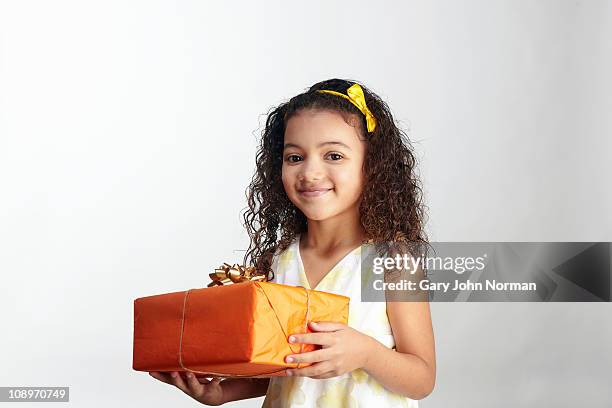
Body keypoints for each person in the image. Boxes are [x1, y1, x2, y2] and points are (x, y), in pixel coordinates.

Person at [149, 78, 436, 407]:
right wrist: (221, 392)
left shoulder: (393, 260)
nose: (311, 172)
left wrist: (367, 354)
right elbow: (282, 363)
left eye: (333, 155)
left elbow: (422, 378)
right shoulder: (279, 261)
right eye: (295, 158)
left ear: (372, 166)